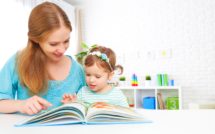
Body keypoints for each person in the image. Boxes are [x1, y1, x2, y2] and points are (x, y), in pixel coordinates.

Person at [0, 2, 86, 115]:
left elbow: (86, 105)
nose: (62, 49)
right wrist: (21, 105)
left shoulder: (78, 71)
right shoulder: (18, 62)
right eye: (53, 44)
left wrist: (76, 104)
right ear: (36, 39)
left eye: (66, 41)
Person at [61, 46, 129, 107]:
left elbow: (128, 115)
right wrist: (70, 104)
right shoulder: (82, 92)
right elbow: (77, 113)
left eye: (97, 76)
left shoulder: (117, 95)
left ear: (110, 75)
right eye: (88, 74)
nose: (91, 80)